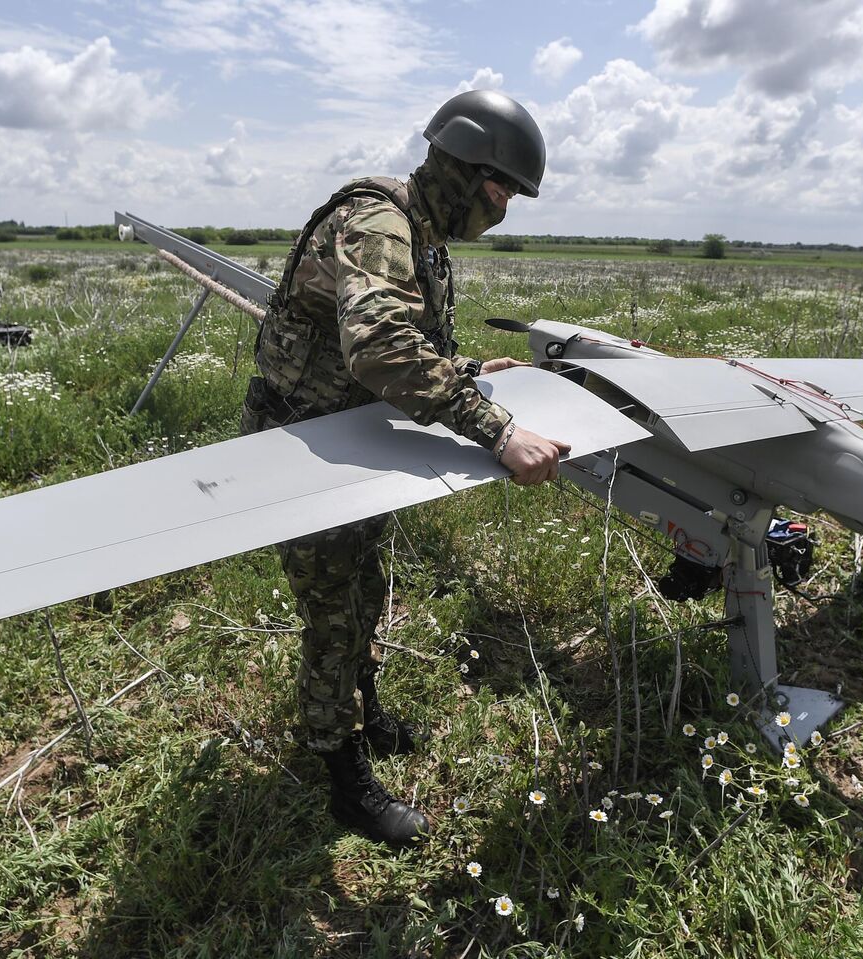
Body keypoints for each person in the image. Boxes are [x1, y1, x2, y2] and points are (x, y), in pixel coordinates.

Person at [239, 90, 569, 846]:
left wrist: (464, 365)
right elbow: (379, 345)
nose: (505, 208)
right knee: (333, 608)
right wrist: (495, 429)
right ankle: (339, 768)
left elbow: (406, 340)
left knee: (366, 583)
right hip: (303, 441)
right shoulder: (381, 222)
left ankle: (362, 708)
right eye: (500, 190)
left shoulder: (420, 232)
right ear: (462, 167)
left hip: (353, 433)